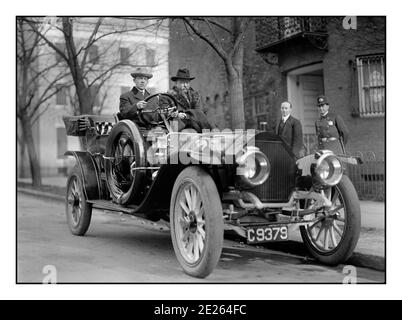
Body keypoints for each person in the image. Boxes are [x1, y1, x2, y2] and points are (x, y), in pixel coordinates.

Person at [168, 68, 214, 132]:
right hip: (179, 124)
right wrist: (177, 114)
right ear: (176, 83)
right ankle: (174, 141)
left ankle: (207, 139)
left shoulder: (196, 96)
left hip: (194, 123)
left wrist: (187, 115)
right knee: (174, 123)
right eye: (182, 82)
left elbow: (200, 112)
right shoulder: (169, 96)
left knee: (204, 118)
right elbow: (167, 113)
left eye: (187, 82)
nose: (185, 85)